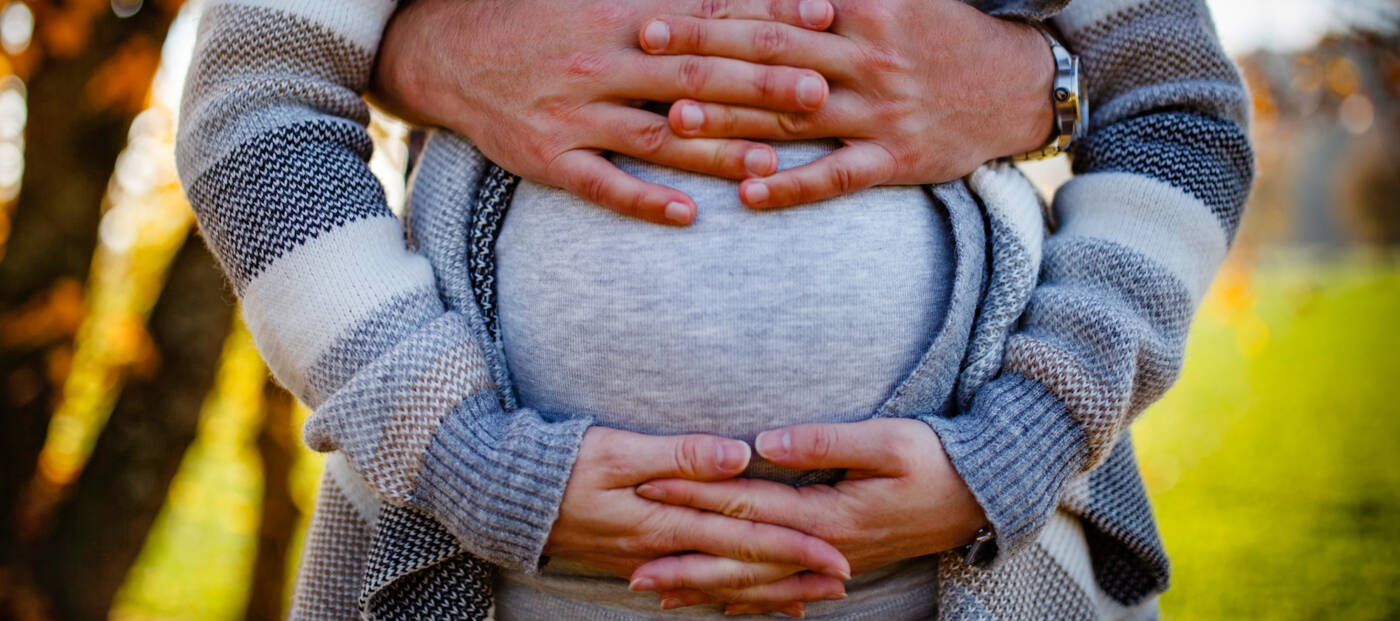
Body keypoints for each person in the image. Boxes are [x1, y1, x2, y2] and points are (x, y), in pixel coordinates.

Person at [175, 0, 1253, 618]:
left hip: (969, 585)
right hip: (502, 583)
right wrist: (456, 450)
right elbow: (257, 105)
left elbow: (1177, 117)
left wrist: (1026, 440)